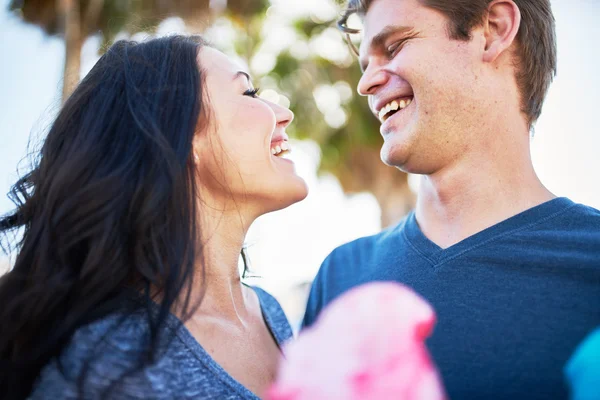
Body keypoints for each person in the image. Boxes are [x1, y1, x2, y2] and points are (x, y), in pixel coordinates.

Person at [302, 0, 600, 399]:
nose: (366, 83)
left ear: (492, 29)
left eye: (394, 47)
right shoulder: (340, 277)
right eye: (365, 63)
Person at [0, 35, 308, 399]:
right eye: (249, 94)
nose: (285, 114)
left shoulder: (271, 314)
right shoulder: (106, 366)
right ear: (182, 136)